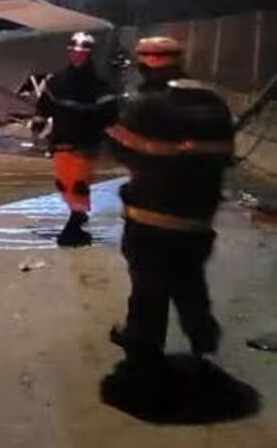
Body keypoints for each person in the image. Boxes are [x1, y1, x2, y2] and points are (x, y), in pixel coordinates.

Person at [106, 36, 236, 362]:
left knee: (148, 284)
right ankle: (202, 333)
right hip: (199, 215)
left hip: (151, 215)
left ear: (145, 62)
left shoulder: (145, 104)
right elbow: (225, 155)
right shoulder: (215, 102)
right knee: (189, 277)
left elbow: (120, 151)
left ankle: (142, 343)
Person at [32, 31, 117, 247]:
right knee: (64, 183)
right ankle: (77, 216)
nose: (77, 56)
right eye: (74, 52)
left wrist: (112, 137)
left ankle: (75, 224)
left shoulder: (100, 86)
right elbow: (44, 105)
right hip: (61, 140)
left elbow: (110, 115)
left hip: (86, 143)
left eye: (82, 52)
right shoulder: (57, 82)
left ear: (89, 55)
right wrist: (38, 125)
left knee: (78, 184)